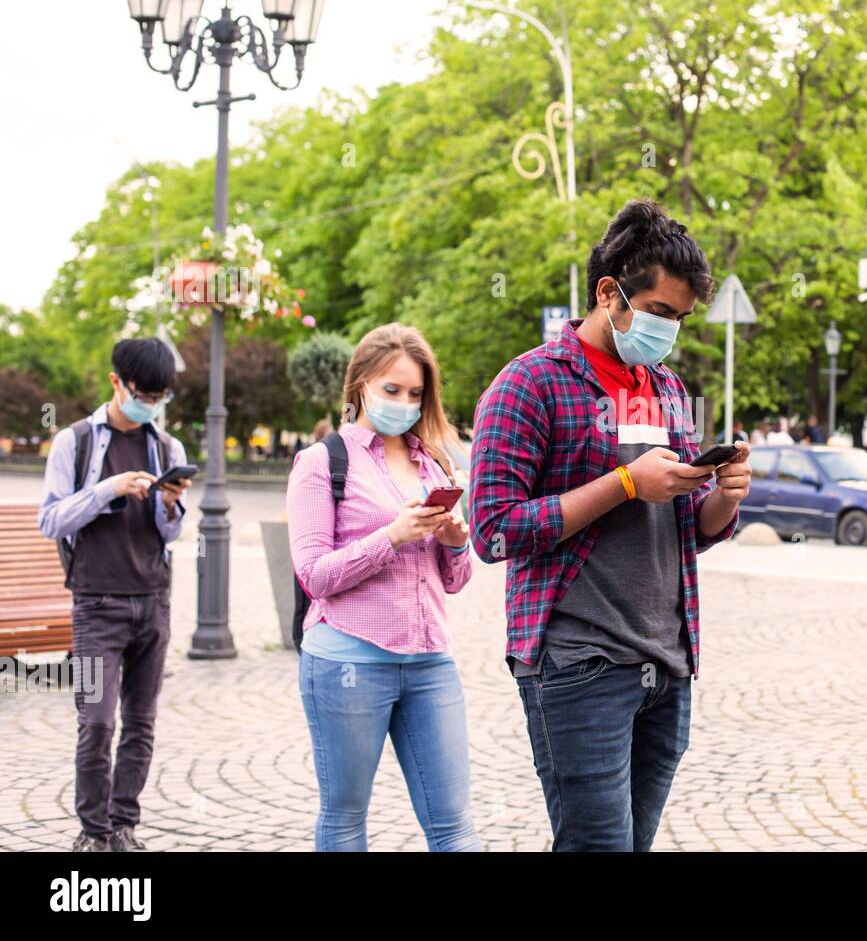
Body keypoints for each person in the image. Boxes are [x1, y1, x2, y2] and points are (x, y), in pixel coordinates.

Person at [470, 199, 751, 851]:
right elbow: (493, 529)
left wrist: (724, 496)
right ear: (609, 293)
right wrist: (624, 484)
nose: (669, 331)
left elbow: (687, 529)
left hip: (668, 664)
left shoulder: (670, 391)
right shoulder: (528, 385)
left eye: (679, 319)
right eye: (658, 313)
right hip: (578, 663)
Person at [288, 323, 480, 852]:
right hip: (347, 661)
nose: (405, 402)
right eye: (392, 390)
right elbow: (314, 576)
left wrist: (457, 542)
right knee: (346, 818)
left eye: (416, 393)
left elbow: (455, 581)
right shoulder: (323, 462)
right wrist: (391, 537)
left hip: (429, 662)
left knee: (455, 826)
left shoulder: (434, 462)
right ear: (361, 386)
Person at [38, 338, 190, 852]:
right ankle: (93, 832)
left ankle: (124, 826)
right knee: (97, 724)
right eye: (143, 392)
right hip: (95, 604)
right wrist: (109, 488)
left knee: (141, 724)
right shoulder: (74, 442)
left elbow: (171, 538)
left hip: (153, 600)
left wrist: (170, 506)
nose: (150, 403)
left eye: (160, 395)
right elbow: (50, 518)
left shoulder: (168, 448)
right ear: (116, 383)